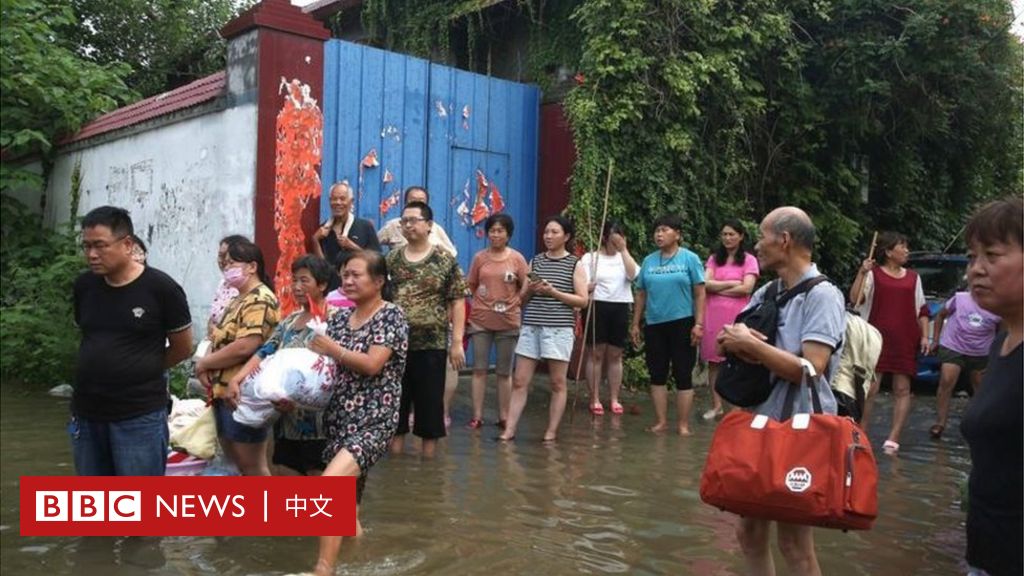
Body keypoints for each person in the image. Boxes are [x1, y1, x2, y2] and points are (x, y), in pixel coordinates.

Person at [717, 206, 846, 576]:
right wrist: (738, 341)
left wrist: (754, 347)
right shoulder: (769, 291)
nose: (755, 245)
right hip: (761, 421)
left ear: (785, 240)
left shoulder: (823, 296)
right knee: (749, 531)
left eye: (761, 236)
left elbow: (812, 367)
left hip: (801, 429)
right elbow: (727, 339)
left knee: (794, 542)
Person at [304, 250, 409, 576]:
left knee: (329, 487)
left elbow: (372, 364)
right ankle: (364, 562)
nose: (347, 281)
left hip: (374, 420)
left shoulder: (391, 316)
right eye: (345, 274)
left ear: (378, 281)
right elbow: (321, 369)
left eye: (356, 275)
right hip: (339, 420)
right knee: (348, 513)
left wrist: (332, 349)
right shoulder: (337, 318)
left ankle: (324, 570)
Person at [71, 206, 193, 475]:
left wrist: (143, 367)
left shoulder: (161, 289)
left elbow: (182, 347)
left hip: (138, 414)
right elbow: (87, 335)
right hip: (87, 412)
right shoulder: (85, 286)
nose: (92, 254)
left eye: (100, 246)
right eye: (87, 246)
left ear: (127, 244)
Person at [225, 255, 336, 476]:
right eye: (294, 280)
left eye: (304, 281)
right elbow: (265, 351)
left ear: (322, 285)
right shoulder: (289, 321)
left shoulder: (335, 319)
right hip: (285, 420)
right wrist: (237, 380)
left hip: (321, 423)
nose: (296, 287)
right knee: (286, 478)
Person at [959, 197, 1023, 576]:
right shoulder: (1000, 345)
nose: (975, 271)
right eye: (972, 257)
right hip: (985, 557)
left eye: (992, 256)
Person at [386, 201, 467, 457]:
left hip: (431, 345)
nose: (408, 225)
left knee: (430, 409)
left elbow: (458, 300)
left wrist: (456, 342)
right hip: (395, 347)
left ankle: (428, 468)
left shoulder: (444, 260)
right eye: (404, 221)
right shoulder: (392, 259)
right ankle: (395, 465)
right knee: (396, 409)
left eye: (413, 220)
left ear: (429, 225)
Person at [498, 215, 589, 443]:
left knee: (557, 382)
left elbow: (582, 301)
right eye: (546, 231)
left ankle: (551, 433)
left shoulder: (574, 264)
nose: (548, 236)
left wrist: (553, 292)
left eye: (554, 232)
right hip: (532, 326)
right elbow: (522, 299)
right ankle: (509, 429)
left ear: (566, 236)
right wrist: (531, 290)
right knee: (519, 380)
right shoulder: (536, 261)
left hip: (559, 328)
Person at [195, 237, 280, 475]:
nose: (225, 268)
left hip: (243, 394)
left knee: (252, 467)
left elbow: (246, 345)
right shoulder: (237, 298)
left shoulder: (260, 299)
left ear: (252, 267)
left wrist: (203, 364)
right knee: (235, 466)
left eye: (232, 263)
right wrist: (208, 367)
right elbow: (219, 338)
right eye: (224, 262)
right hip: (224, 392)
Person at [849, 231, 929, 454]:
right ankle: (861, 431)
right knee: (870, 388)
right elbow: (855, 300)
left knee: (902, 389)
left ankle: (893, 438)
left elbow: (921, 309)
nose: (906, 251)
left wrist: (924, 336)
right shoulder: (873, 274)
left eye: (906, 246)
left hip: (905, 338)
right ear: (888, 252)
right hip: (875, 338)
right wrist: (861, 273)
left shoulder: (914, 277)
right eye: (901, 246)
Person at [630, 214, 706, 436]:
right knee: (657, 373)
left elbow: (700, 293)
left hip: (683, 322)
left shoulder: (690, 259)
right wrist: (636, 323)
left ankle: (683, 424)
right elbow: (641, 293)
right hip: (655, 324)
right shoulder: (649, 261)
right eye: (656, 231)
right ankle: (661, 422)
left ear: (678, 234)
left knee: (683, 374)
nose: (659, 234)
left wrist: (699, 324)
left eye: (664, 230)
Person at [465, 213, 529, 429]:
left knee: (504, 371)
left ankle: (504, 416)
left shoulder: (517, 259)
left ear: (508, 234)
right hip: (481, 320)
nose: (495, 234)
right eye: (492, 230)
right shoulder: (480, 258)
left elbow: (526, 285)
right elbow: (471, 284)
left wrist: (517, 301)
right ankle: (477, 416)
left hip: (509, 322)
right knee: (479, 369)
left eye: (500, 230)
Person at [700, 219, 759, 420]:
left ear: (741, 236)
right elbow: (704, 285)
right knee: (713, 362)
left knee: (737, 359)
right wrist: (732, 283)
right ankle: (716, 406)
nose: (727, 238)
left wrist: (719, 285)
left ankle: (736, 407)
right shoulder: (714, 259)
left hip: (737, 315)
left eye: (732, 234)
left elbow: (747, 288)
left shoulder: (749, 260)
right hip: (712, 314)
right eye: (724, 234)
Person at [580, 220, 638, 416]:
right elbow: (582, 284)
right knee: (595, 353)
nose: (616, 241)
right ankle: (594, 397)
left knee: (615, 354)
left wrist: (624, 250)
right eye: (612, 238)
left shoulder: (625, 257)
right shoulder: (591, 258)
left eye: (619, 237)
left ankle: (614, 398)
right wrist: (588, 287)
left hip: (620, 305)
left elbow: (632, 275)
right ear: (604, 238)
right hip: (597, 305)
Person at [928, 288, 1000, 439]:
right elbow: (940, 316)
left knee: (981, 388)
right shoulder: (960, 299)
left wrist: (999, 353)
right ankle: (940, 423)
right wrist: (935, 340)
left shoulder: (998, 305)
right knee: (947, 380)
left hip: (981, 351)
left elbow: (1003, 332)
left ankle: (979, 423)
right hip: (953, 345)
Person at [311, 181, 381, 264]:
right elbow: (320, 267)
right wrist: (315, 240)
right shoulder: (322, 231)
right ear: (330, 201)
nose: (338, 202)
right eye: (334, 199)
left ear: (351, 201)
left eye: (342, 199)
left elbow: (378, 261)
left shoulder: (365, 226)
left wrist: (353, 247)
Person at [377, 185, 458, 256]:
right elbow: (372, 246)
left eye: (421, 201)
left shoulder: (434, 227)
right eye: (412, 201)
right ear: (405, 203)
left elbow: (452, 253)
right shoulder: (393, 225)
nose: (417, 204)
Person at [207, 235, 249, 335]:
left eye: (229, 259)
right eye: (220, 256)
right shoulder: (223, 284)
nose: (223, 261)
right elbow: (212, 319)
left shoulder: (247, 287)